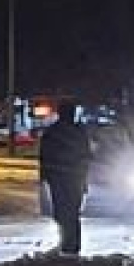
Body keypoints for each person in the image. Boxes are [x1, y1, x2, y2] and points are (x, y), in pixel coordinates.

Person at [38, 103, 92, 254]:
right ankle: (69, 243)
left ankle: (69, 244)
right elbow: (86, 156)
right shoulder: (77, 133)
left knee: (65, 211)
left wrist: (44, 176)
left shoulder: (54, 132)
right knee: (69, 211)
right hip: (69, 178)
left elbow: (44, 156)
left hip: (62, 178)